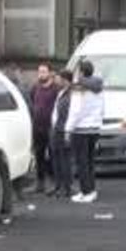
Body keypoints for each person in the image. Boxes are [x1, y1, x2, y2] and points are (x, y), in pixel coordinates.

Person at [65, 60, 105, 204]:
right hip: (94, 128)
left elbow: (75, 111)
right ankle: (91, 190)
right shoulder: (99, 87)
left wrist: (68, 129)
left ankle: (86, 192)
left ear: (81, 72)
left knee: (81, 162)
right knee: (89, 161)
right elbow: (102, 108)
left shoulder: (78, 87)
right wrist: (97, 123)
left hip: (80, 129)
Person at [28, 63, 61, 195]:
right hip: (37, 126)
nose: (41, 74)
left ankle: (54, 182)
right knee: (39, 155)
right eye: (39, 71)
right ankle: (39, 183)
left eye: (44, 72)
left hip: (50, 127)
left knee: (53, 155)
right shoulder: (35, 87)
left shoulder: (56, 89)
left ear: (49, 73)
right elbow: (32, 99)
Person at [49, 70, 76, 199]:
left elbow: (72, 114)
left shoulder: (72, 95)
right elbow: (56, 111)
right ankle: (58, 185)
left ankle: (67, 187)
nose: (57, 81)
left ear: (66, 80)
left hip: (64, 130)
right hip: (57, 129)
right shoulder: (61, 93)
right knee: (56, 159)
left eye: (59, 79)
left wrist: (67, 130)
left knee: (65, 159)